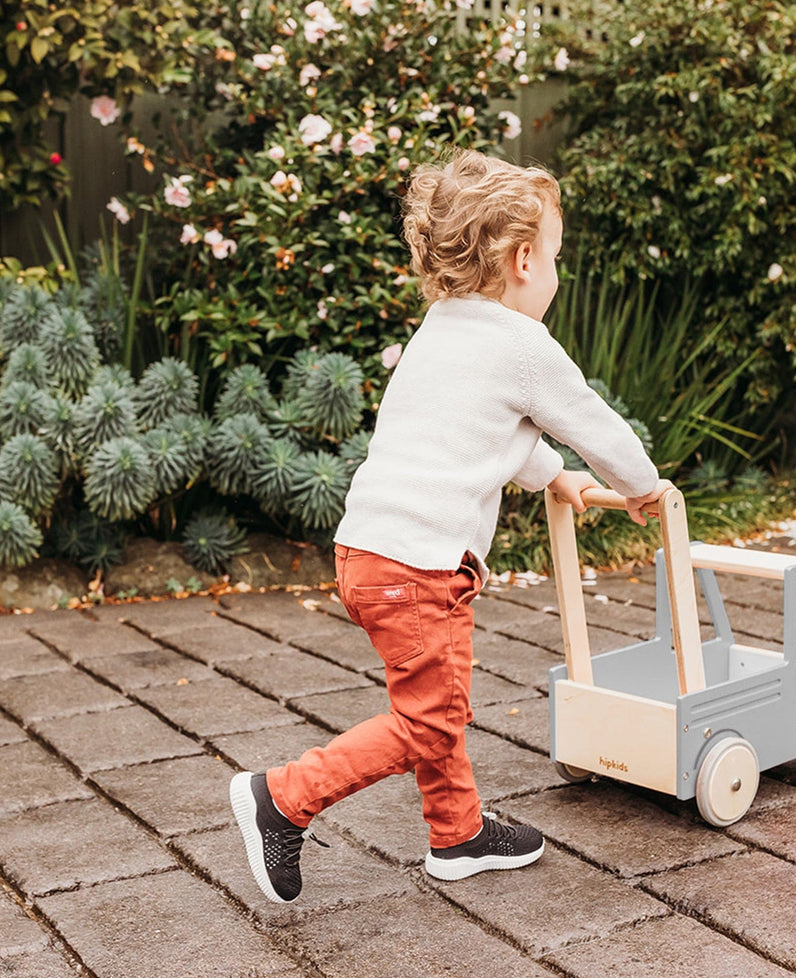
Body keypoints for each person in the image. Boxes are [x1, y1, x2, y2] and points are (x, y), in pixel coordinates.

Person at [230, 148, 667, 903]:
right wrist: (642, 487)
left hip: (369, 553)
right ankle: (285, 797)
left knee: (434, 702)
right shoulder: (523, 345)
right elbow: (595, 424)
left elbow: (477, 434)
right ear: (525, 259)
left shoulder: (443, 329)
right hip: (419, 570)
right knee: (430, 722)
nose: (558, 275)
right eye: (557, 259)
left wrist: (553, 475)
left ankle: (457, 834)